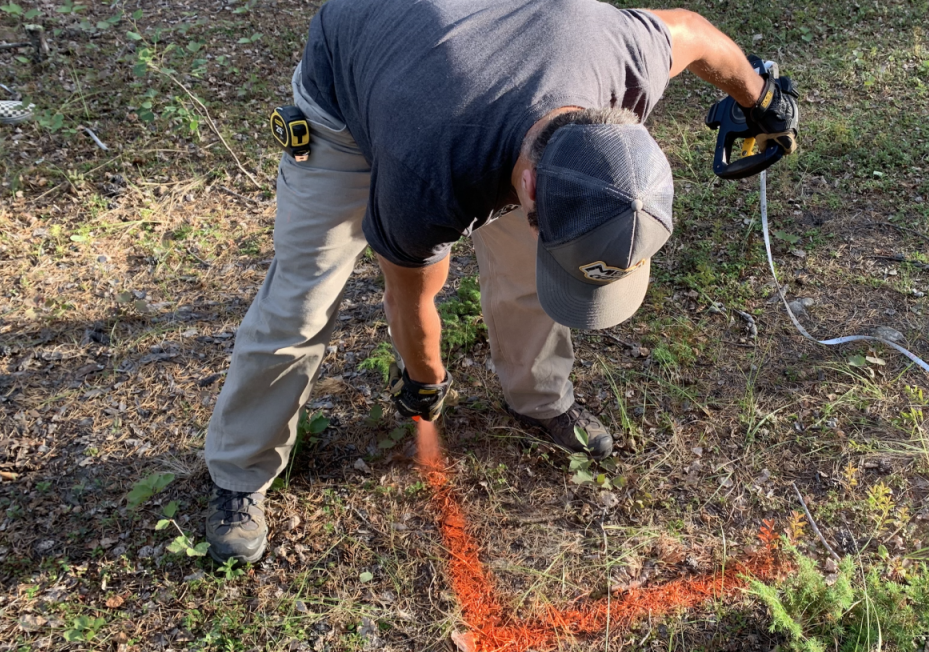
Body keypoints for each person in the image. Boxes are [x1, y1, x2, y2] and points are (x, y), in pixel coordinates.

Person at [203, 0, 798, 564]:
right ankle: (239, 471)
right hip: (350, 97)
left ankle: (540, 400)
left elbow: (694, 35)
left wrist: (762, 98)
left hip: (476, 75)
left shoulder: (625, 59)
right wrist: (425, 380)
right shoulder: (427, 175)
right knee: (302, 302)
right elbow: (409, 295)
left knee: (527, 268)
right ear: (530, 190)